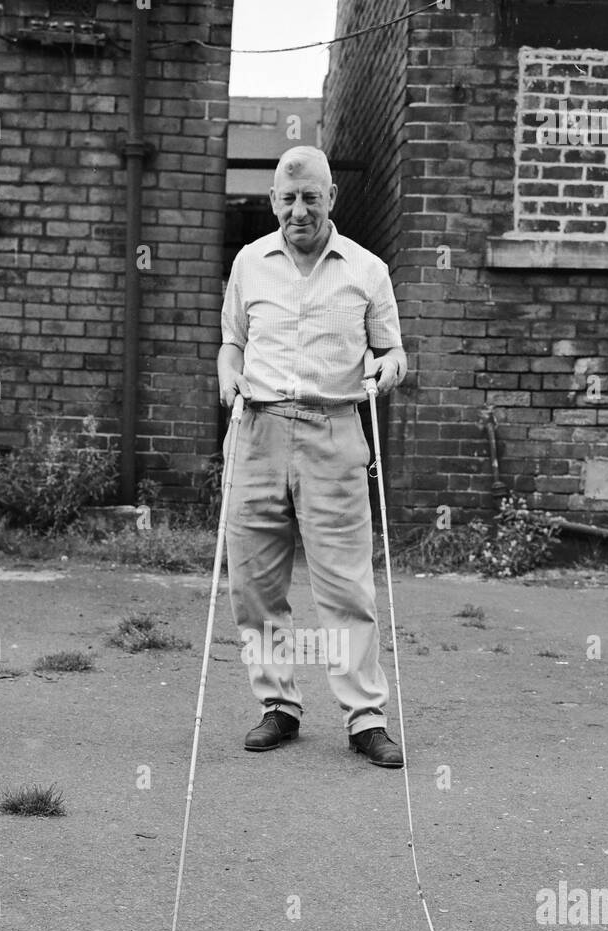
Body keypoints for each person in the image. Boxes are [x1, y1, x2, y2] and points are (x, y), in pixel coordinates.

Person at [217, 145, 409, 768]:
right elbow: (231, 345)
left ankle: (365, 718)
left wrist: (385, 369)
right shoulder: (249, 264)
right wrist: (229, 377)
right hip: (259, 431)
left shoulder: (367, 269)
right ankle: (279, 705)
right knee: (254, 584)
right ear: (274, 201)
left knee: (346, 586)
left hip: (334, 429)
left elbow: (393, 352)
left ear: (332, 198)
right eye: (288, 198)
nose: (299, 210)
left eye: (311, 197)